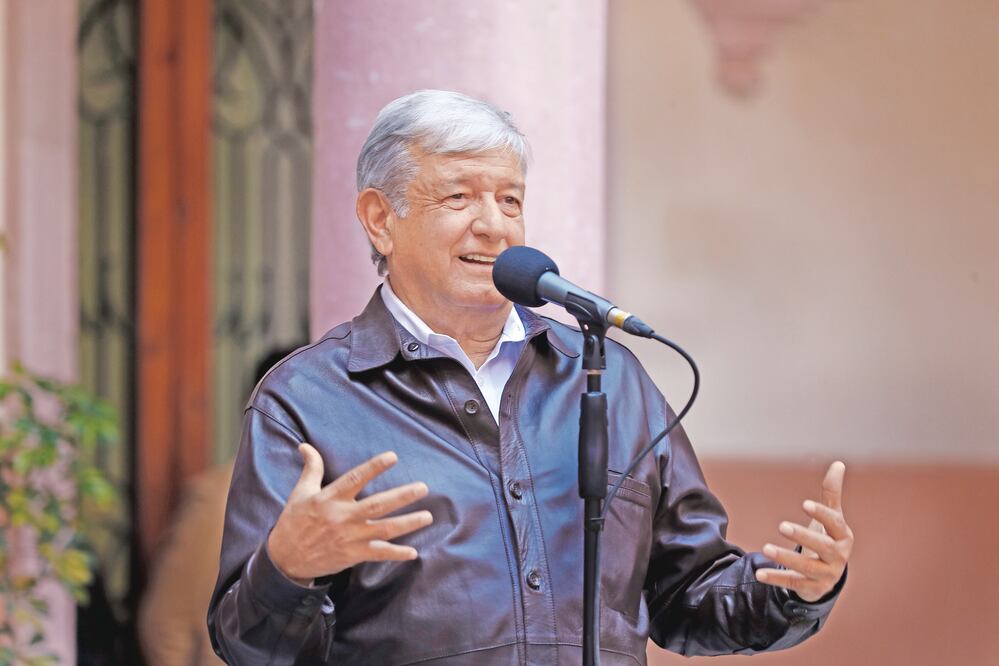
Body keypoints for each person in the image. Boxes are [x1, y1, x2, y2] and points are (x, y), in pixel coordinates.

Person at [208, 90, 852, 665]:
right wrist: (287, 570)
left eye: (509, 199)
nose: (494, 224)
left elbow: (686, 593)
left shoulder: (607, 379)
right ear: (381, 218)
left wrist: (793, 591)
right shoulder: (307, 400)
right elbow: (248, 646)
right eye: (459, 196)